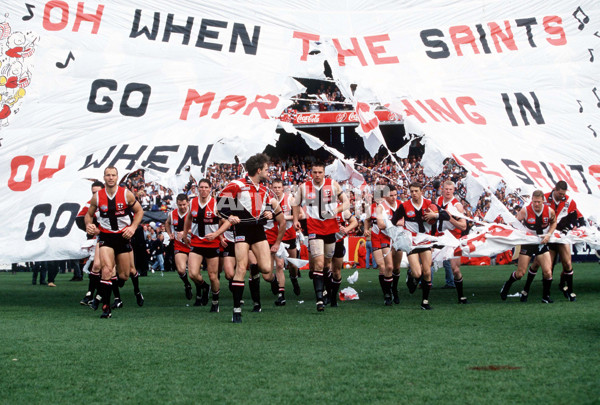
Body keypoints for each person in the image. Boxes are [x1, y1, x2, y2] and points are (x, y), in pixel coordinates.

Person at [217, 153, 285, 323]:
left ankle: (273, 280)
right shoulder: (238, 184)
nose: (269, 172)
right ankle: (236, 311)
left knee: (266, 268)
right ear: (258, 169)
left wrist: (269, 212)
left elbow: (268, 208)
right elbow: (220, 204)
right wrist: (229, 216)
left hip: (258, 231)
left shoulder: (263, 188)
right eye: (267, 169)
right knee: (240, 268)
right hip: (241, 230)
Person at [84, 166, 144, 318]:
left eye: (113, 175)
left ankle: (109, 293)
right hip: (106, 237)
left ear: (117, 177)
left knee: (123, 275)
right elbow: (88, 215)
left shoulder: (126, 194)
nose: (110, 178)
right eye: (108, 175)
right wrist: (88, 225)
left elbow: (139, 211)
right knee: (106, 269)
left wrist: (133, 227)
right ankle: (106, 307)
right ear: (104, 177)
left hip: (122, 237)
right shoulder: (97, 196)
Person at [292, 160, 349, 312]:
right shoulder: (304, 187)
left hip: (331, 229)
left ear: (324, 173)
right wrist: (296, 220)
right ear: (311, 173)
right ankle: (319, 300)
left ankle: (329, 293)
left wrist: (335, 212)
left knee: (326, 265)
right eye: (315, 172)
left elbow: (347, 202)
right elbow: (295, 203)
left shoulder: (333, 184)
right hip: (314, 228)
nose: (317, 175)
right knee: (317, 263)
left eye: (320, 172)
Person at [526, 181, 584, 301]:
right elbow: (533, 211)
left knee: (567, 264)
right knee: (540, 264)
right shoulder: (544, 198)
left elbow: (575, 216)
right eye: (560, 193)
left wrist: (571, 225)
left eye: (564, 194)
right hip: (548, 236)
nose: (562, 196)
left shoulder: (569, 201)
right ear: (554, 190)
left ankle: (569, 291)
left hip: (561, 236)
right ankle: (527, 290)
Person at [500, 190, 557, 303]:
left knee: (548, 272)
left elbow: (554, 222)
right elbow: (514, 223)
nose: (536, 204)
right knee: (520, 273)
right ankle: (507, 285)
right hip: (528, 243)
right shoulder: (525, 210)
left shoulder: (549, 211)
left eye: (538, 202)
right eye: (534, 202)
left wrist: (549, 234)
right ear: (531, 200)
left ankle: (546, 296)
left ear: (543, 201)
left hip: (541, 243)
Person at [182, 179, 230, 312]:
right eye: (201, 187)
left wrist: (217, 234)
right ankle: (204, 286)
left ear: (210, 189)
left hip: (212, 243)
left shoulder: (216, 204)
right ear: (197, 189)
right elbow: (188, 219)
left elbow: (227, 222)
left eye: (206, 187)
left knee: (213, 276)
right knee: (192, 273)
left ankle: (215, 301)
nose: (203, 190)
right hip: (197, 241)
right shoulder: (192, 202)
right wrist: (185, 234)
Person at [390, 182, 438, 310]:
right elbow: (394, 221)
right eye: (411, 191)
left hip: (426, 241)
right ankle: (411, 275)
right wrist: (400, 225)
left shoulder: (429, 204)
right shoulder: (405, 206)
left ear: (421, 191)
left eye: (416, 191)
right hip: (411, 242)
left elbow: (443, 216)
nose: (414, 194)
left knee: (427, 272)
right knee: (418, 273)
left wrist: (435, 215)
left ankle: (425, 302)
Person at [265, 178, 301, 306]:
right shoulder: (267, 200)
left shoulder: (289, 199)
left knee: (293, 265)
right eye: (275, 187)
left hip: (289, 234)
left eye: (279, 187)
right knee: (279, 265)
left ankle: (294, 279)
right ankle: (281, 294)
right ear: (271, 188)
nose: (277, 190)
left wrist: (284, 217)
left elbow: (300, 214)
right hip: (275, 236)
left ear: (283, 188)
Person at [434, 180, 468, 303]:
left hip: (453, 239)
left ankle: (461, 296)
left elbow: (463, 226)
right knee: (425, 262)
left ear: (453, 190)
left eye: (450, 189)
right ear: (442, 189)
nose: (447, 191)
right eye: (446, 189)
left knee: (455, 269)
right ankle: (415, 278)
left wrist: (450, 218)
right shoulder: (438, 200)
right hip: (439, 237)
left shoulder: (457, 205)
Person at [374, 184, 404, 305]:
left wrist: (391, 223)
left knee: (397, 267)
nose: (393, 198)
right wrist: (395, 223)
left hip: (398, 238)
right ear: (385, 195)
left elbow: (404, 221)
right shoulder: (380, 207)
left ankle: (394, 290)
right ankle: (387, 294)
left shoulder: (401, 205)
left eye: (395, 195)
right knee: (389, 266)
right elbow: (380, 225)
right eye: (390, 195)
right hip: (385, 237)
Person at [76, 180, 105, 306]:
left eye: (97, 192)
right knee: (97, 266)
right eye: (93, 193)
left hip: (114, 237)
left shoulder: (113, 201)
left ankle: (111, 295)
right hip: (100, 238)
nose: (95, 195)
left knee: (124, 273)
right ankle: (92, 294)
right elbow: (80, 218)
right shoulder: (91, 203)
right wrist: (91, 229)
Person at [165, 193, 194, 300]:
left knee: (193, 273)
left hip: (193, 244)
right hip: (179, 245)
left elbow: (199, 227)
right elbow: (167, 223)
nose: (182, 207)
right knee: (181, 270)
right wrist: (170, 234)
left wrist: (185, 232)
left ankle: (202, 288)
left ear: (188, 203)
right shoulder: (172, 214)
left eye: (184, 205)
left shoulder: (193, 213)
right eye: (180, 205)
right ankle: (187, 285)